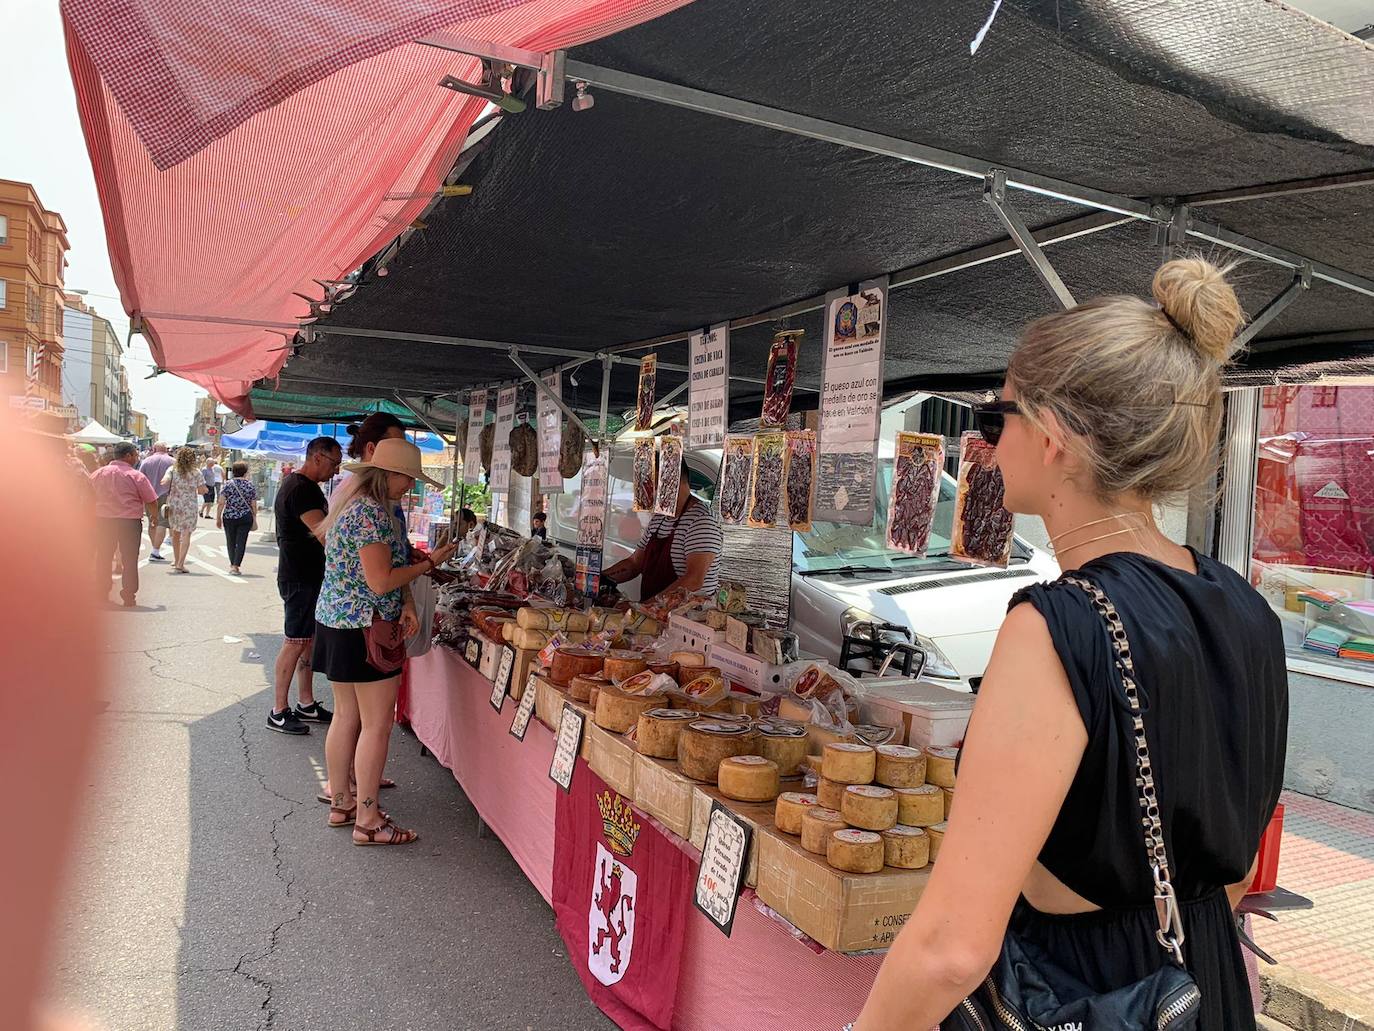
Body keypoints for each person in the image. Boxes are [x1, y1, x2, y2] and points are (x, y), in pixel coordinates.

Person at [853, 258, 1288, 1031]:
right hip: (1201, 981)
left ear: (1053, 436)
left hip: (1086, 993)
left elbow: (952, 946)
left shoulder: (1057, 624)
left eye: (998, 416)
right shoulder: (1248, 608)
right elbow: (1237, 868)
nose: (987, 442)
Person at [314, 438, 457, 844]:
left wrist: (408, 600)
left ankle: (342, 802)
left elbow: (386, 570)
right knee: (376, 725)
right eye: (407, 478)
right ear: (388, 474)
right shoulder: (371, 515)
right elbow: (381, 581)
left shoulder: (353, 506)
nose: (409, 487)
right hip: (365, 627)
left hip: (338, 622)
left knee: (346, 717)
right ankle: (368, 820)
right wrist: (430, 564)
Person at [270, 437, 342, 734]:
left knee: (307, 641)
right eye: (333, 463)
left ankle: (306, 702)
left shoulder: (304, 487)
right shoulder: (301, 489)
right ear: (316, 457)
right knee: (295, 641)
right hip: (299, 575)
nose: (336, 471)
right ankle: (278, 710)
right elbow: (324, 534)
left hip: (308, 574)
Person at [603, 457, 722, 602]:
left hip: (686, 619)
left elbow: (694, 580)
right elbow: (635, 563)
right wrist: (599, 580)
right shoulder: (659, 519)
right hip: (656, 617)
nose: (648, 491)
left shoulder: (702, 522)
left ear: (675, 480)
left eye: (653, 484)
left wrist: (646, 608)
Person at [91, 441, 159, 606]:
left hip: (103, 520)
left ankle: (101, 592)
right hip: (129, 522)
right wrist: (154, 517)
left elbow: (88, 495)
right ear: (128, 456)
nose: (136, 458)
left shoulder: (98, 473)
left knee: (103, 557)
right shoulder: (136, 475)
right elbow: (151, 500)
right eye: (135, 454)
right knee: (130, 559)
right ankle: (129, 595)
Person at [161, 446, 207, 573]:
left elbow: (166, 479)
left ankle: (176, 561)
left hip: (175, 505)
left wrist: (166, 481)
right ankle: (181, 563)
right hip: (190, 506)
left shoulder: (172, 469)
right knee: (186, 534)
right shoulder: (196, 472)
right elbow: (202, 490)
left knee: (175, 533)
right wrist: (204, 489)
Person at [217, 461, 259, 576]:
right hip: (245, 517)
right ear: (245, 472)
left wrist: (218, 517)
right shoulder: (250, 485)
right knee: (241, 542)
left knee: (230, 541)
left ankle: (232, 564)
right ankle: (236, 566)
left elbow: (221, 502)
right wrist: (254, 516)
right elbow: (254, 504)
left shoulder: (227, 484)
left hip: (229, 516)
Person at [137, 442, 175, 562]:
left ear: (154, 449)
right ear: (166, 449)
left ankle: (155, 548)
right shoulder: (172, 461)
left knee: (152, 522)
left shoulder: (146, 461)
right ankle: (155, 550)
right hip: (166, 495)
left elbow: (140, 478)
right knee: (163, 522)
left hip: (149, 495)